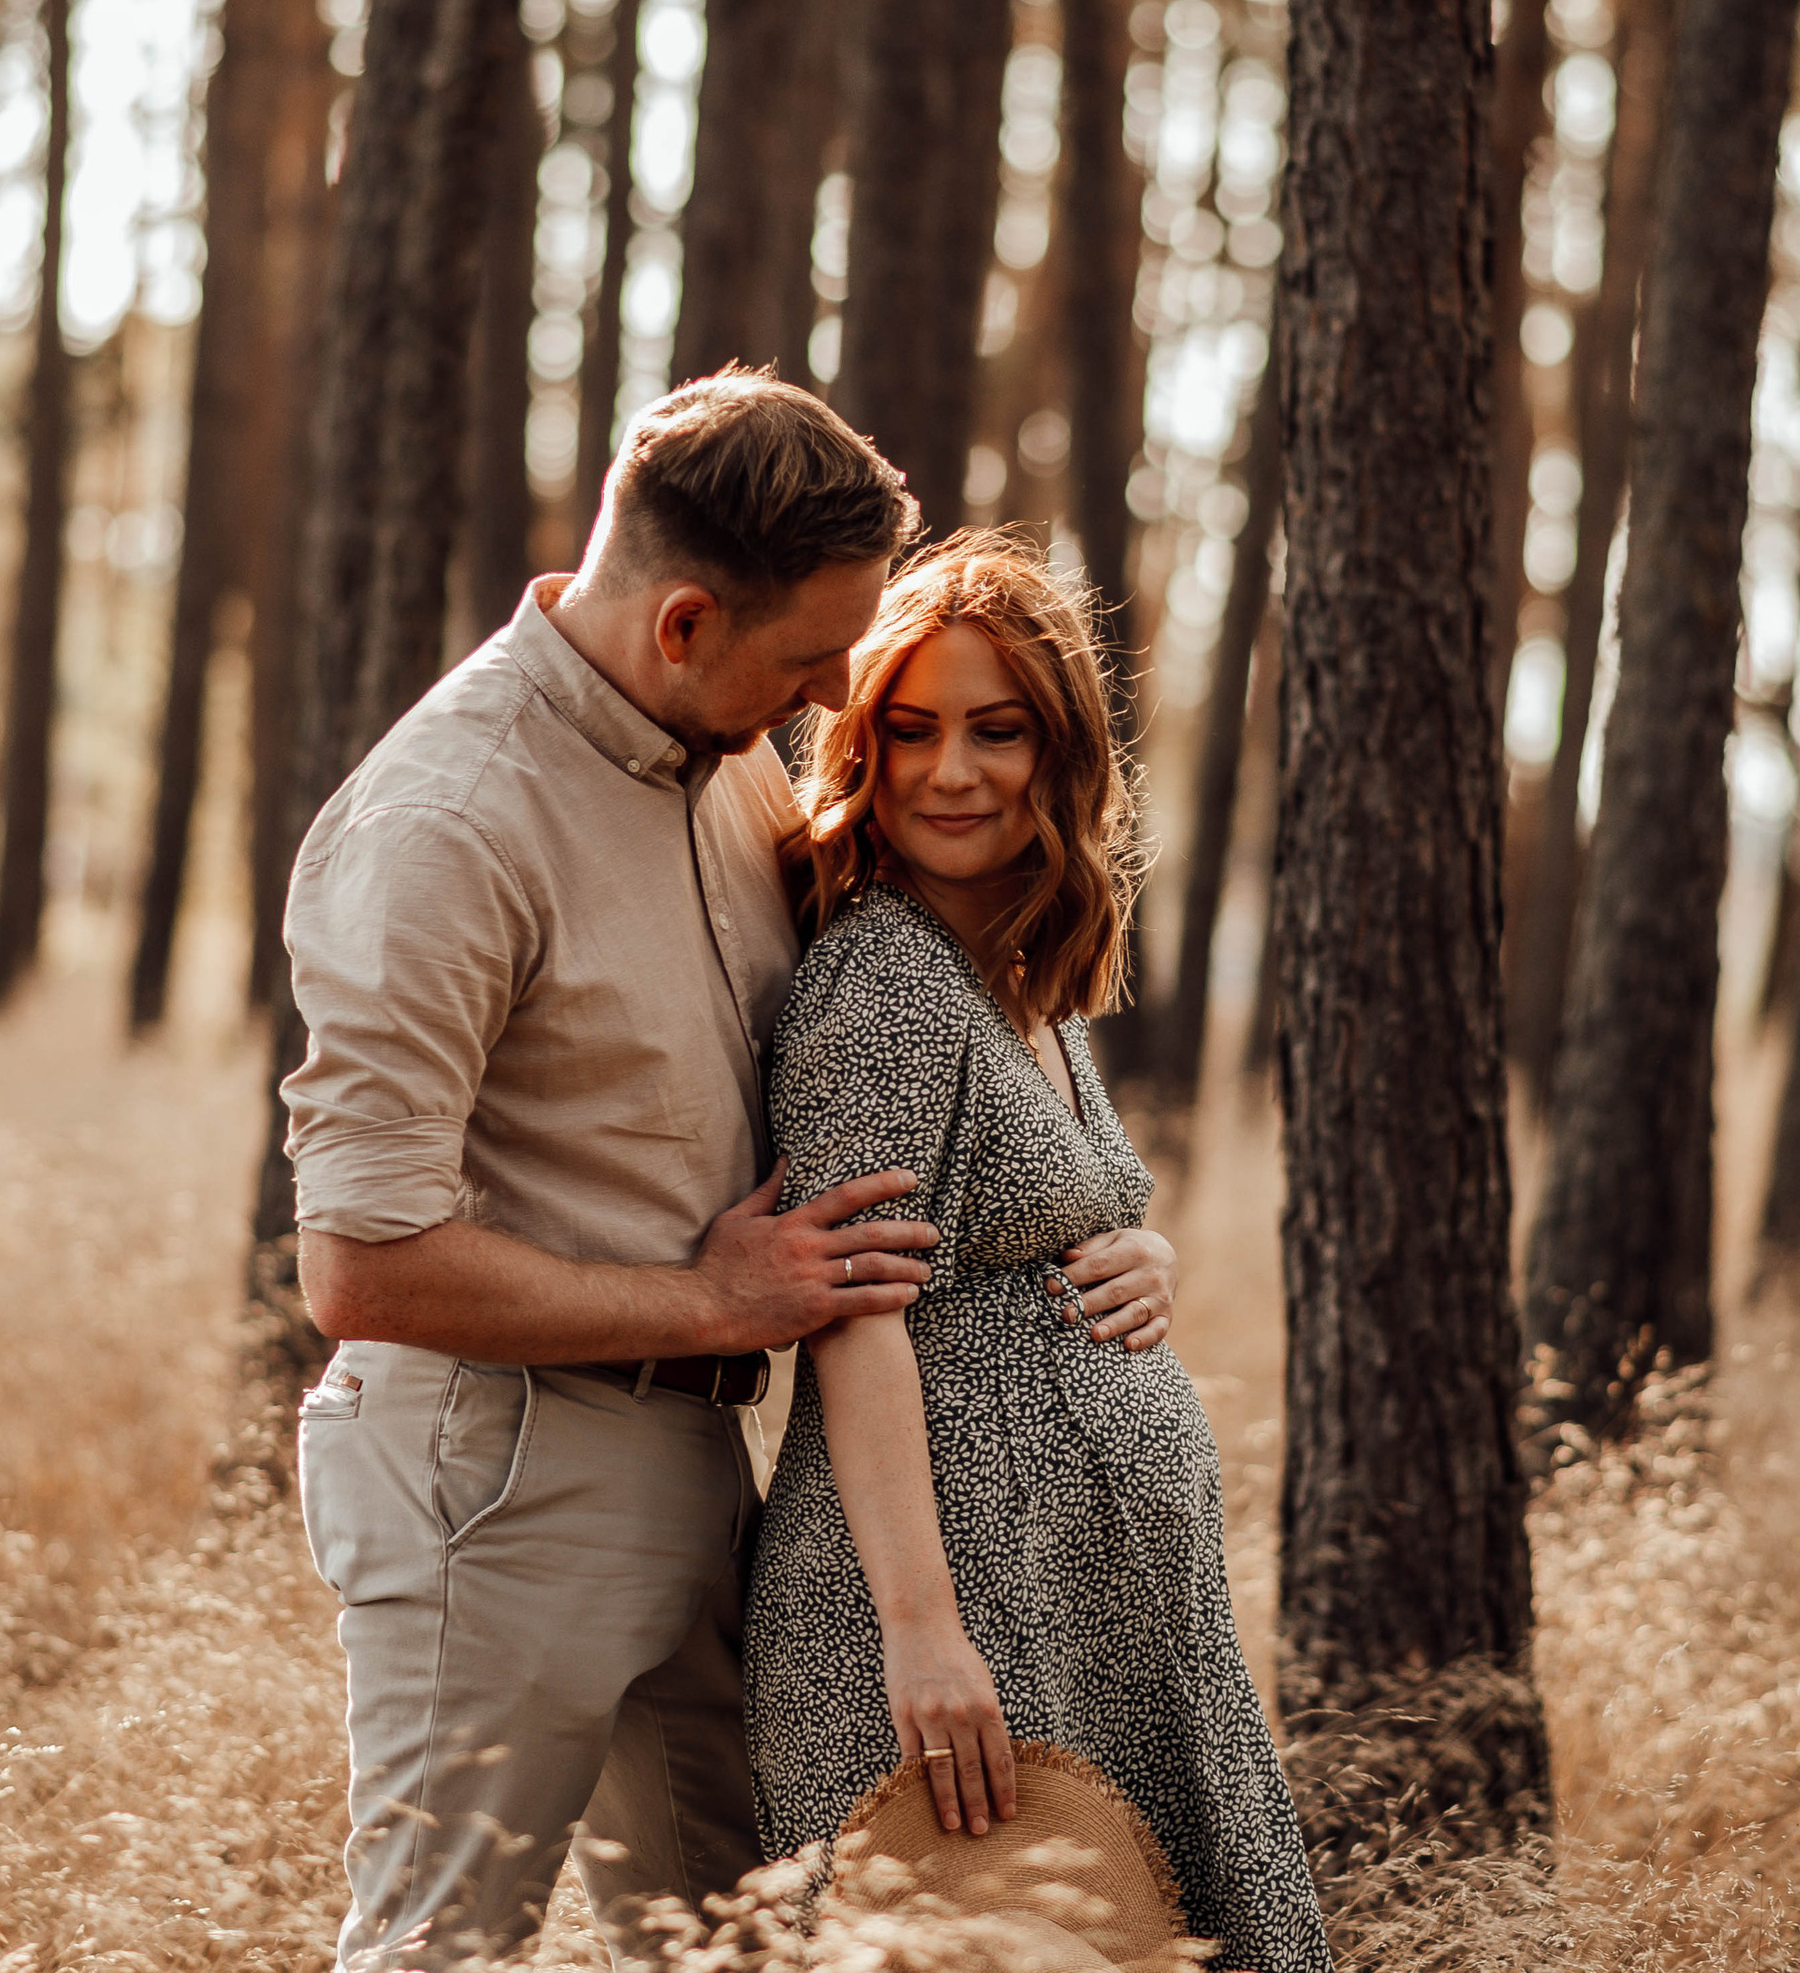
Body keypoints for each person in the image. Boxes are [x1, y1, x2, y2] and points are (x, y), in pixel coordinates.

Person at [283, 376, 960, 1969]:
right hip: (490, 1476)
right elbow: (359, 1267)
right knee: (444, 1948)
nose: (835, 687)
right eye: (808, 656)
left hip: (701, 1463)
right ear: (683, 622)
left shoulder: (728, 763)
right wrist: (708, 1296)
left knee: (733, 1942)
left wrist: (1094, 1234)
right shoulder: (449, 821)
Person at [744, 534, 1332, 1973]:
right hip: (961, 1609)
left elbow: (1047, 1218)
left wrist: (1145, 1253)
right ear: (863, 746)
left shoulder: (1014, 972)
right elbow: (858, 1312)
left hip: (1084, 1604)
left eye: (997, 730)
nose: (954, 771)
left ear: (1057, 749)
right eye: (914, 729)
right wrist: (925, 1637)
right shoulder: (882, 978)